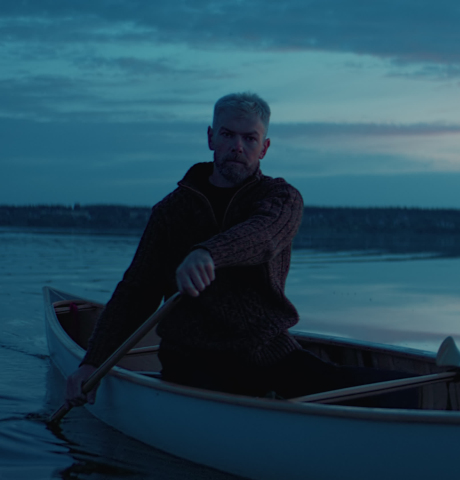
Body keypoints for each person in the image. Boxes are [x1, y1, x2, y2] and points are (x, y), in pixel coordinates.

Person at [64, 92, 364, 407]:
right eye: (228, 134)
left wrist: (208, 253)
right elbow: (137, 293)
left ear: (264, 148)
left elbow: (264, 235)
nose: (238, 146)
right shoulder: (170, 212)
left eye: (250, 138)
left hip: (268, 352)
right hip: (192, 360)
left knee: (366, 390)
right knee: (212, 393)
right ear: (211, 138)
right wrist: (93, 361)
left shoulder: (281, 198)